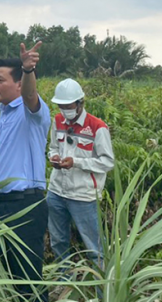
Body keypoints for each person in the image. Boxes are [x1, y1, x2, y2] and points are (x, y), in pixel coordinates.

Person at [0, 43, 50, 301]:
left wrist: (28, 69)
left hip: (25, 206)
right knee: (7, 277)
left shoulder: (32, 113)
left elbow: (31, 96)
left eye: (0, 79)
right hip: (3, 206)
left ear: (18, 84)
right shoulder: (4, 115)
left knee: (28, 278)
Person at [48, 78, 114, 274]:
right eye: (61, 105)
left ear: (79, 103)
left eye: (68, 105)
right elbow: (52, 148)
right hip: (57, 191)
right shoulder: (57, 120)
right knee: (58, 242)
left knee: (94, 247)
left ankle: (103, 289)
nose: (64, 109)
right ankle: (65, 284)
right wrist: (54, 157)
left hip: (83, 196)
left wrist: (76, 162)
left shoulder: (97, 127)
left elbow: (107, 162)